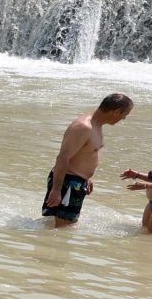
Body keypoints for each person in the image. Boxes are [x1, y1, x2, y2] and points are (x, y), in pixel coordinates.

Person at [44, 92, 134, 228]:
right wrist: (56, 190)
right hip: (68, 183)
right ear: (117, 112)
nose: (124, 118)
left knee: (59, 226)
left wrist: (86, 178)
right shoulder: (84, 127)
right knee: (64, 228)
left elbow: (83, 154)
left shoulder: (97, 125)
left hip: (76, 182)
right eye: (125, 114)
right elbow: (63, 157)